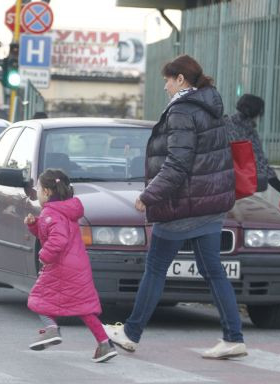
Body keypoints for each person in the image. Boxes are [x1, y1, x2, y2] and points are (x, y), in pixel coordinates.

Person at [104, 54, 247, 360]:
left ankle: (131, 333)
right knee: (214, 272)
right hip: (209, 205)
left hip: (182, 206)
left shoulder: (182, 110)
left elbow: (178, 163)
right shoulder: (210, 106)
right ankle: (233, 337)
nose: (166, 86)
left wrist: (148, 195)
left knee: (155, 269)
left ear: (181, 79)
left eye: (168, 79)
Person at [25, 168, 117, 363]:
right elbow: (51, 232)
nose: (38, 192)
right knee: (84, 308)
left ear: (48, 192)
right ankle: (104, 344)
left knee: (37, 299)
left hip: (60, 266)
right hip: (78, 266)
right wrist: (34, 225)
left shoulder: (51, 212)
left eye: (39, 189)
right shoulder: (64, 210)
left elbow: (58, 239)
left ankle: (51, 330)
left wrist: (44, 255)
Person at [224, 94, 280, 195]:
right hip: (234, 188)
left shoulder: (223, 123)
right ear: (255, 112)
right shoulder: (249, 133)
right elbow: (261, 164)